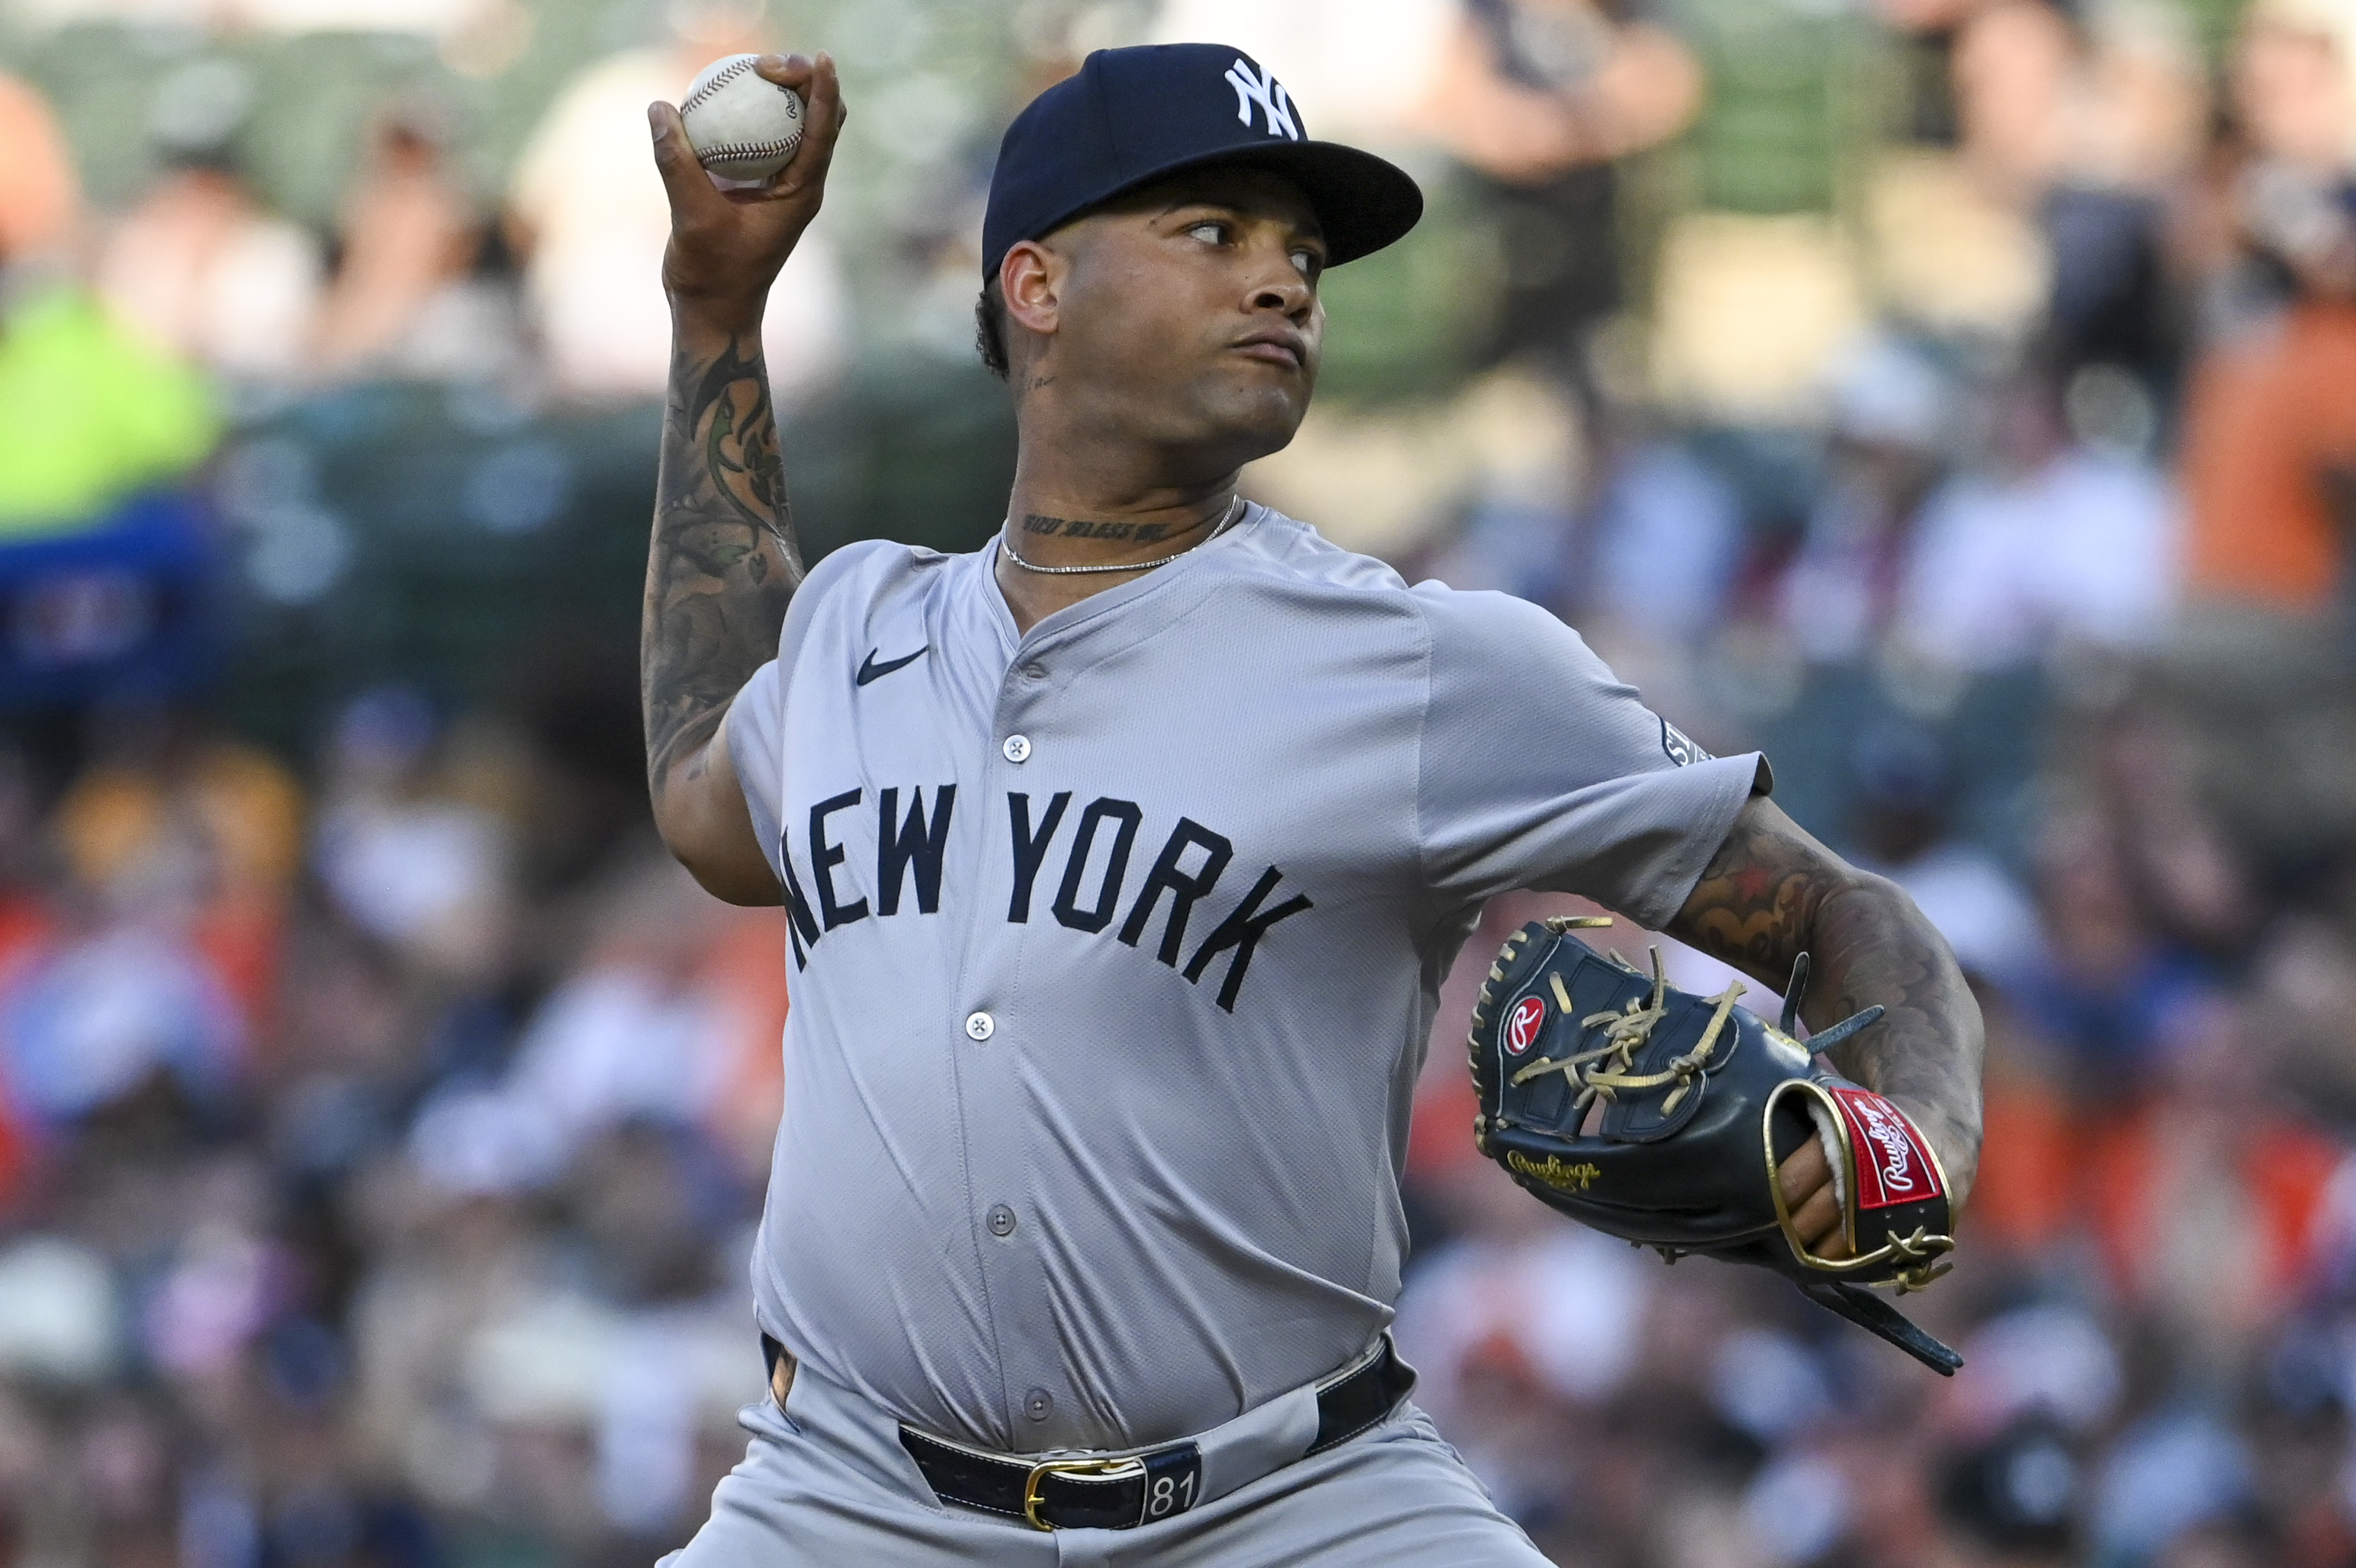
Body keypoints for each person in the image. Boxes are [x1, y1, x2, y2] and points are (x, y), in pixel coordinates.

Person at [638, 44, 1984, 1563]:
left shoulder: (1419, 663)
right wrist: (715, 312)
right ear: (1036, 286)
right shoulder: (852, 630)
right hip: (847, 1501)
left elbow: (1834, 910)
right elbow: (700, 776)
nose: (1282, 283)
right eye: (1213, 235)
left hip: (1291, 1505)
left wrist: (1918, 1121)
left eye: (1300, 255)